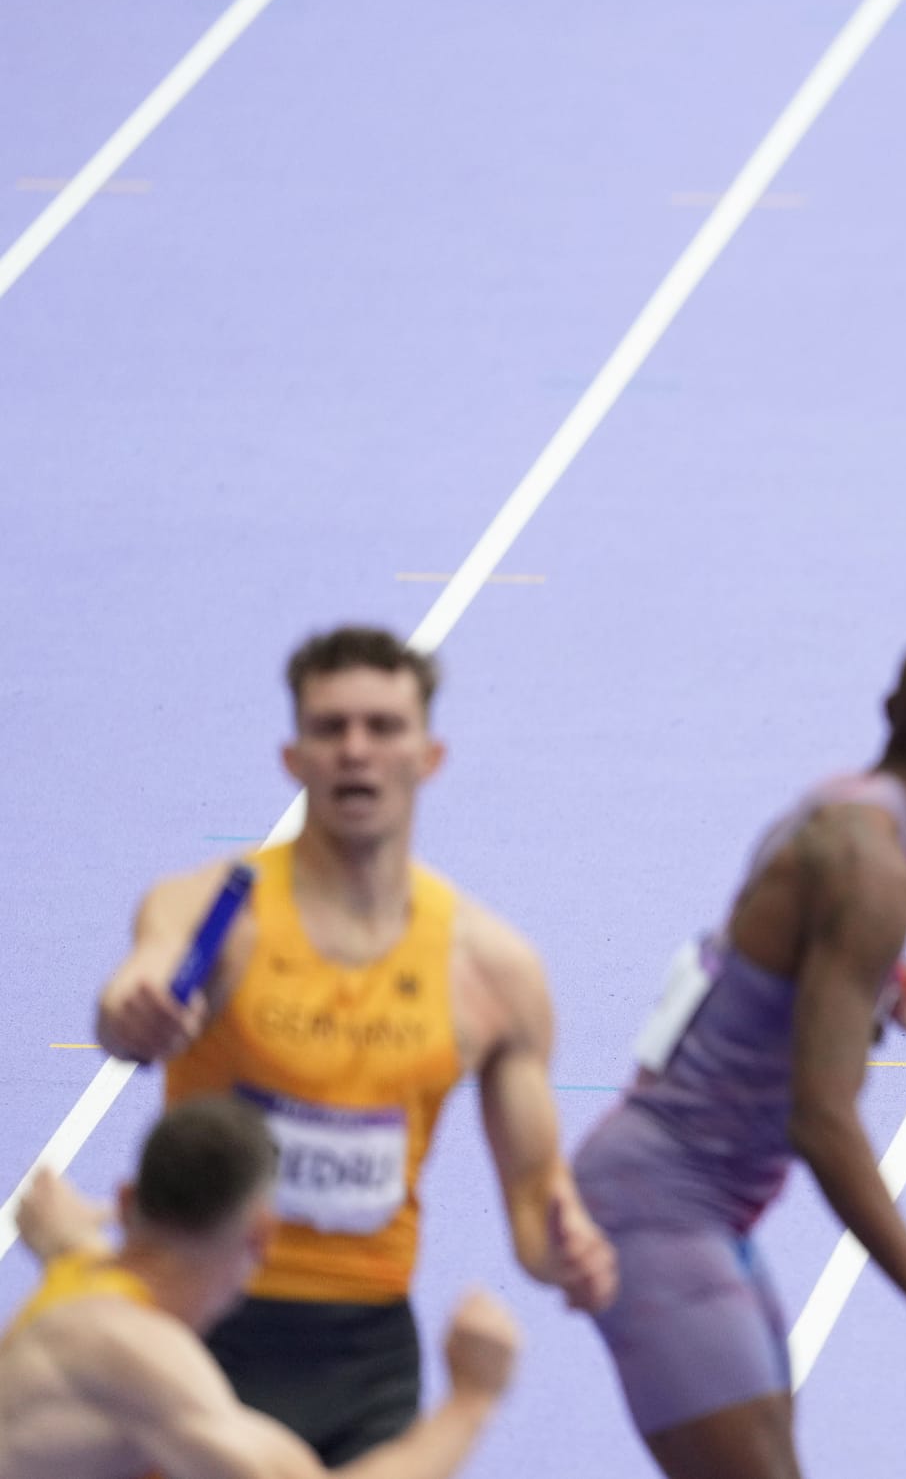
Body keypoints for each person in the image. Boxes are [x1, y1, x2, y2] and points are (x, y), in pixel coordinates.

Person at [92, 627, 617, 1462]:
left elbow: (534, 1203)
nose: (356, 751)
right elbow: (138, 988)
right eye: (330, 728)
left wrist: (568, 1252)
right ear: (292, 757)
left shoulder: (492, 970)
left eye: (382, 727)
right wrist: (131, 1010)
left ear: (429, 756)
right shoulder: (215, 916)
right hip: (197, 1327)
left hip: (367, 1354)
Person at [574, 627, 906, 1478]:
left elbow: (753, 960)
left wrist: (882, 990)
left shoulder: (834, 807)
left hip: (695, 1203)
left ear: (892, 713)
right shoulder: (872, 872)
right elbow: (821, 1124)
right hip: (659, 1208)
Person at [0, 1096, 518, 1479]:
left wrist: (61, 1236)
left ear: (129, 1198)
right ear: (262, 1236)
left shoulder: (86, 1277)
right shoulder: (144, 1359)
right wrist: (470, 1402)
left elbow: (73, 1243)